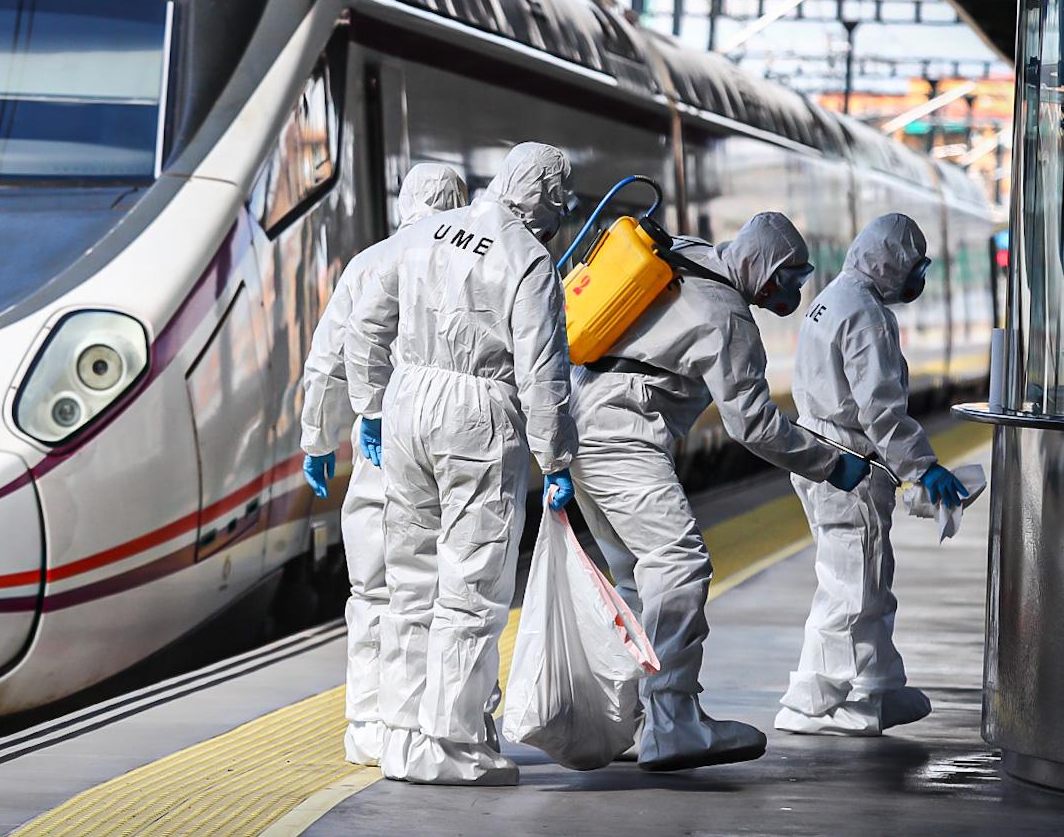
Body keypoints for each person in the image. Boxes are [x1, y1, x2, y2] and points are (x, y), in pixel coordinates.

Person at [567, 211, 869, 772]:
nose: (795, 291)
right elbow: (752, 424)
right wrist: (830, 463)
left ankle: (638, 716)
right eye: (792, 277)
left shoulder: (686, 254)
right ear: (766, 269)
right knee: (679, 564)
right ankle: (673, 722)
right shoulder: (728, 316)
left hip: (580, 422)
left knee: (639, 576)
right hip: (621, 433)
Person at [346, 142, 578, 786]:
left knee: (409, 579)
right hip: (478, 412)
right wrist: (556, 458)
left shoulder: (425, 233)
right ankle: (453, 743)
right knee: (471, 584)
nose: (561, 212)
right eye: (560, 199)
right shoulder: (527, 258)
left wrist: (369, 404)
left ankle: (401, 733)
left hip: (407, 401)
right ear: (544, 194)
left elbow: (367, 323)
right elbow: (543, 371)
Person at [298, 162, 469, 766]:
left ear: (404, 202)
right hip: (451, 446)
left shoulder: (371, 260)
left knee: (371, 589)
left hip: (378, 445)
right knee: (444, 590)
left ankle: (366, 726)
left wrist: (317, 440)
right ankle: (425, 724)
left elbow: (328, 357)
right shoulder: (474, 259)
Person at [776, 213, 969, 736]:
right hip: (847, 463)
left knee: (868, 574)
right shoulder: (865, 314)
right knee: (850, 583)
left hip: (827, 450)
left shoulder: (835, 297)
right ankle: (812, 701)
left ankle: (874, 686)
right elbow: (881, 408)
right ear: (891, 261)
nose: (916, 279)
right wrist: (922, 467)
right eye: (914, 266)